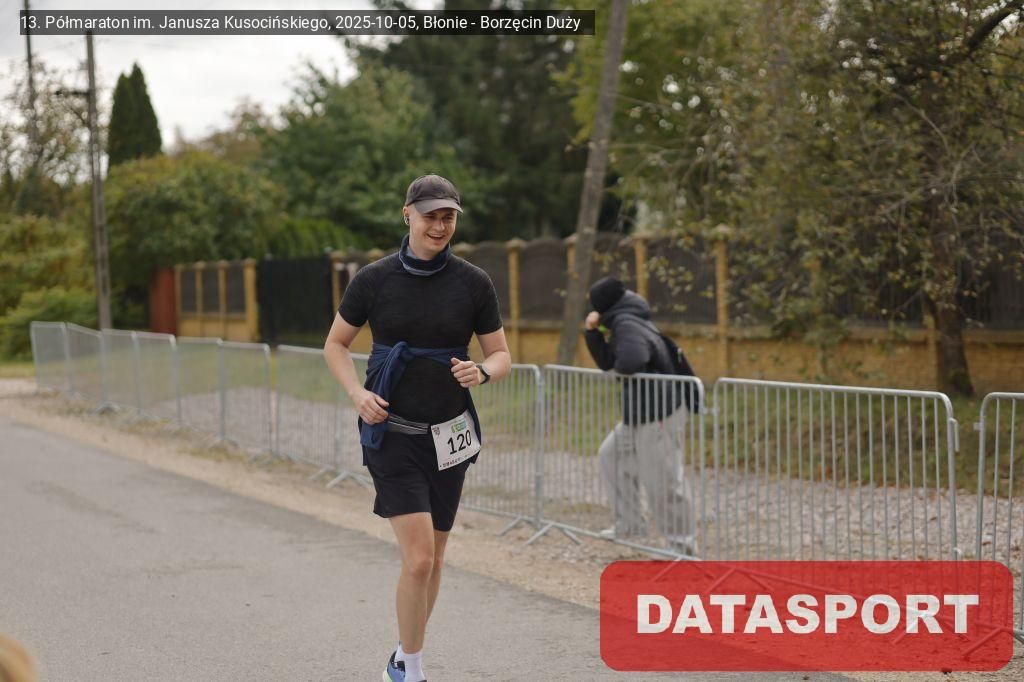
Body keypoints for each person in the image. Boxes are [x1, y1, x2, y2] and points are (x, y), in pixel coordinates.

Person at [323, 174, 511, 682]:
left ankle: (403, 653)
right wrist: (357, 394)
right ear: (407, 214)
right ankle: (411, 670)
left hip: (449, 436)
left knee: (437, 556)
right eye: (431, 215)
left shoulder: (473, 282)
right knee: (421, 559)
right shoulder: (374, 279)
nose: (440, 226)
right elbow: (335, 344)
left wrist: (483, 372)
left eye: (448, 216)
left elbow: (501, 354)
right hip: (393, 434)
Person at [583, 276, 697, 556]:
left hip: (659, 413)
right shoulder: (626, 320)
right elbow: (608, 362)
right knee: (611, 456)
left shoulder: (626, 324)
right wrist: (592, 333)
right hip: (639, 414)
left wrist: (619, 365)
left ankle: (682, 547)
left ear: (603, 304)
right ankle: (631, 524)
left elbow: (630, 361)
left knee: (663, 480)